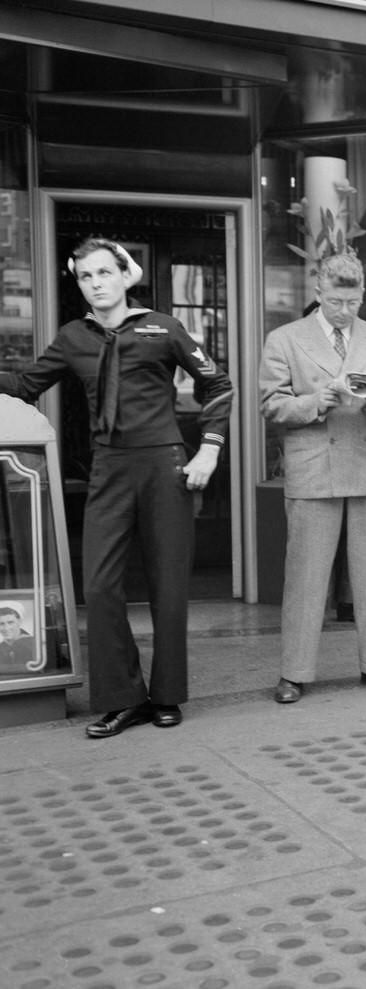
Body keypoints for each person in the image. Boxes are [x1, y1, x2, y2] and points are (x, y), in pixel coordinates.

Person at [0, 238, 232, 736]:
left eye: (104, 273)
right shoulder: (73, 338)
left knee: (167, 587)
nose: (96, 284)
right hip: (108, 469)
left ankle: (167, 696)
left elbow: (218, 385)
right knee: (101, 587)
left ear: (125, 275)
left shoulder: (164, 328)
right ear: (79, 283)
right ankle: (124, 698)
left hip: (164, 467)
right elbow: (24, 387)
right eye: (86, 277)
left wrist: (209, 448)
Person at [259, 252, 366, 704]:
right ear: (317, 294)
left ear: (362, 294)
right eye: (334, 302)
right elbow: (271, 405)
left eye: (352, 302)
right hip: (314, 468)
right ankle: (294, 673)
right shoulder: (284, 339)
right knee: (306, 576)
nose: (344, 312)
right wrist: (319, 398)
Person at [0, 604, 36, 675]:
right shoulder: (1, 647)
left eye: (10, 622)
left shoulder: (33, 644)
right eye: (1, 624)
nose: (6, 628)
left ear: (19, 622)